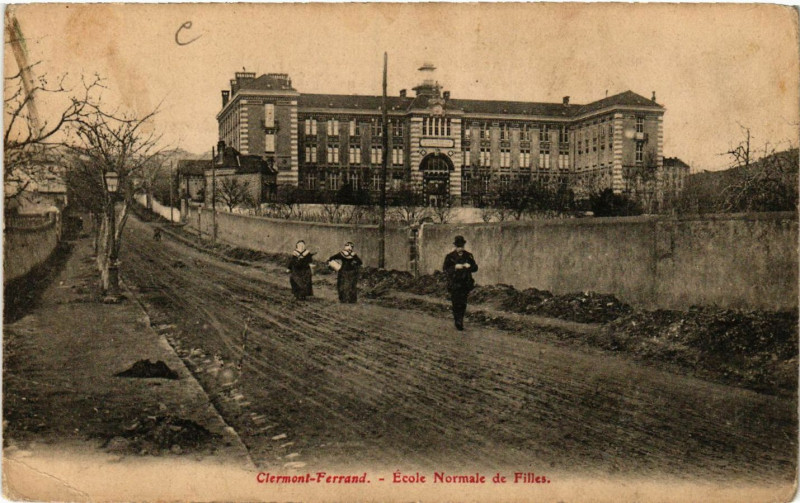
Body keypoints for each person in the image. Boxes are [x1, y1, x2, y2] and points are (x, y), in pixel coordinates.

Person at [443, 235, 478, 331]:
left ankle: (460, 321)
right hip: (454, 283)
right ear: (455, 246)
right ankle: (457, 320)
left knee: (463, 303)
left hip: (465, 283)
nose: (460, 248)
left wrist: (469, 266)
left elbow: (475, 268)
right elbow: (445, 269)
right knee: (455, 303)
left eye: (462, 246)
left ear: (464, 246)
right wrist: (454, 267)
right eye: (458, 246)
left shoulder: (469, 256)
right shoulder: (450, 257)